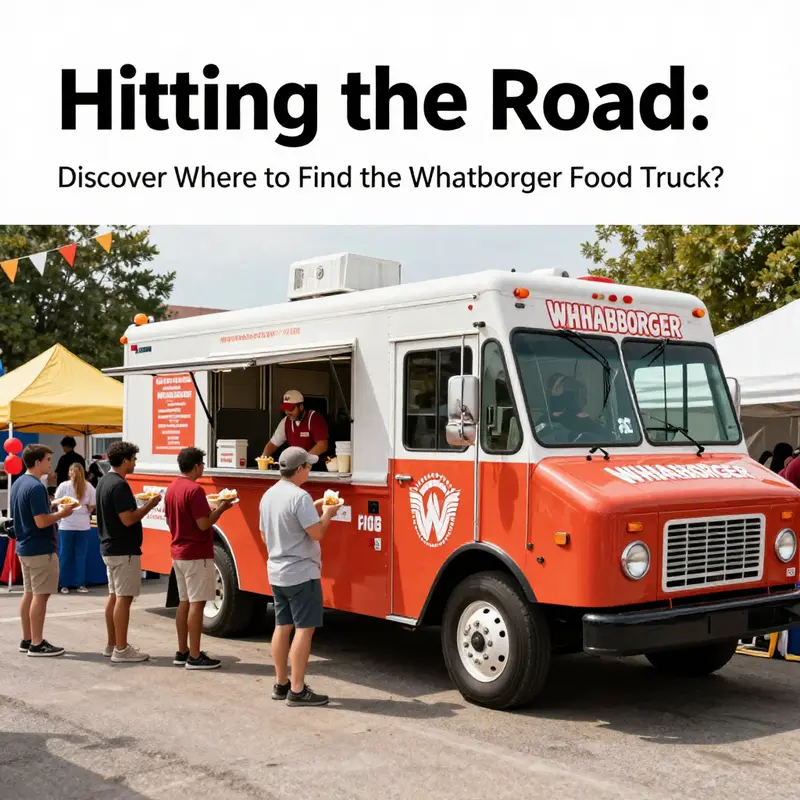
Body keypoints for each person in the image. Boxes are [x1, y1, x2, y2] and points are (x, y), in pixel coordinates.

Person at [258, 446, 340, 706]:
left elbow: (264, 535)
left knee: (282, 627)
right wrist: (327, 514)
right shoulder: (300, 497)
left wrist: (312, 510)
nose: (310, 470)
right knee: (304, 630)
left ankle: (281, 683)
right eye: (308, 466)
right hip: (301, 573)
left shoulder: (269, 495)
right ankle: (297, 689)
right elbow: (317, 534)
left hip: (277, 572)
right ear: (299, 469)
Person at [164, 447, 234, 670]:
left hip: (178, 552)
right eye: (202, 464)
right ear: (195, 466)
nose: (203, 467)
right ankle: (195, 655)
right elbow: (203, 523)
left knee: (184, 603)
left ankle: (182, 650)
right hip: (196, 553)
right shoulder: (194, 490)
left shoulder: (172, 488)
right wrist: (222, 508)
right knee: (197, 604)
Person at [95, 441, 160, 663]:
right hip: (124, 550)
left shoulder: (104, 481)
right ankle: (121, 649)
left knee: (114, 596)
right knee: (123, 599)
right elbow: (128, 519)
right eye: (133, 459)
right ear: (124, 461)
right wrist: (149, 505)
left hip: (110, 547)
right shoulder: (119, 485)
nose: (134, 463)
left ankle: (112, 643)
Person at [11, 444, 74, 657]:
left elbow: (29, 513)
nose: (50, 463)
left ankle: (27, 639)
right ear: (37, 462)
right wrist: (62, 514)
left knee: (29, 593)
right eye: (48, 459)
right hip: (39, 548)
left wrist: (54, 506)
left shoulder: (19, 482)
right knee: (40, 596)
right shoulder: (36, 487)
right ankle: (37, 643)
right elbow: (41, 521)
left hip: (25, 546)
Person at [55, 463, 96, 594]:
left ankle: (63, 585)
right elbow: (91, 507)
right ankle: (80, 584)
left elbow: (57, 502)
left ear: (69, 473)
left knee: (64, 555)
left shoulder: (64, 486)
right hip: (83, 525)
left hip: (66, 524)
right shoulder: (89, 486)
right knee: (80, 556)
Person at [261, 390, 329, 464]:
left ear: (301, 407)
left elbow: (323, 445)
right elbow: (273, 444)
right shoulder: (286, 421)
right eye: (285, 409)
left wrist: (303, 459)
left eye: (290, 409)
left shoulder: (315, 418)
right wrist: (263, 458)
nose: (287, 412)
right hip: (296, 467)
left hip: (317, 467)